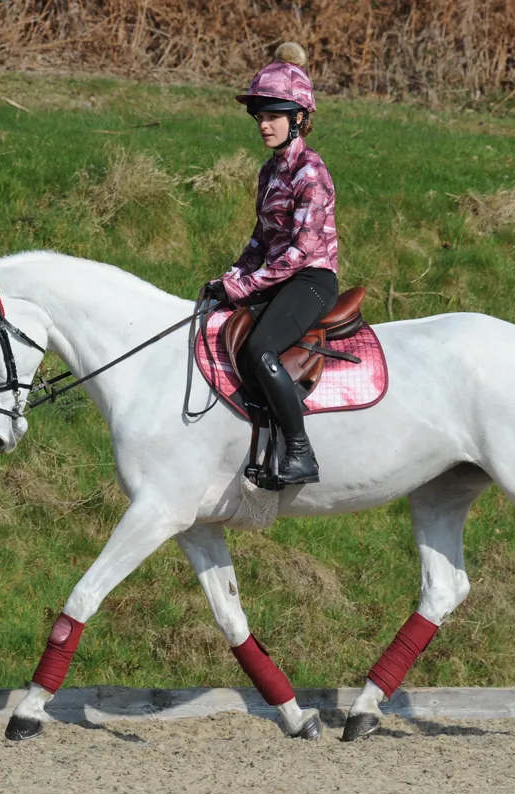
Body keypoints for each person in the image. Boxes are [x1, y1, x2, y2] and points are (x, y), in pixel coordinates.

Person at [204, 42, 339, 486]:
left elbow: (298, 252)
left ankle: (301, 451)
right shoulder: (270, 171)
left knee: (260, 349)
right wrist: (230, 278)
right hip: (279, 276)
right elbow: (261, 238)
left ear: (298, 118)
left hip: (310, 280)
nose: (264, 125)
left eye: (273, 116)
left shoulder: (311, 173)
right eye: (259, 116)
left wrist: (244, 287)